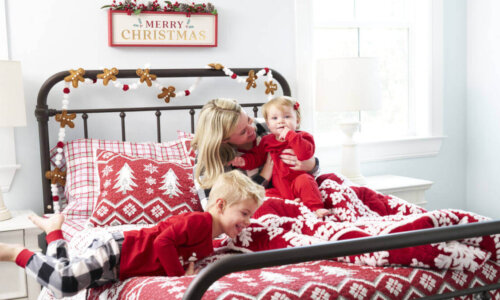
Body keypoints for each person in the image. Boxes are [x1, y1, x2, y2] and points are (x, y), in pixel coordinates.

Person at [0, 170, 264, 299]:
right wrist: (177, 278)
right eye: (244, 213)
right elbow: (163, 241)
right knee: (65, 283)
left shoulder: (212, 237)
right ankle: (15, 253)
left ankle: (54, 232)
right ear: (220, 205)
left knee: (58, 286)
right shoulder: (200, 221)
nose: (248, 222)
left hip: (122, 267)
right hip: (119, 251)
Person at [191, 98, 320, 207]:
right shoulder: (207, 162)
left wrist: (312, 164)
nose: (252, 128)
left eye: (248, 119)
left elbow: (305, 152)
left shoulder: (271, 124)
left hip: (297, 190)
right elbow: (215, 210)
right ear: (223, 140)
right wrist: (263, 177)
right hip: (264, 205)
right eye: (242, 131)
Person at [230, 97, 329, 218]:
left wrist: (290, 136)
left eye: (287, 117)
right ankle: (291, 206)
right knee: (264, 196)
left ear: (297, 120)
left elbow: (305, 153)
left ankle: (316, 209)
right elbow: (257, 157)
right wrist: (243, 161)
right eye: (275, 118)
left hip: (297, 180)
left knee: (306, 182)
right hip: (279, 187)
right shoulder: (267, 140)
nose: (281, 121)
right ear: (268, 123)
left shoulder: (303, 136)